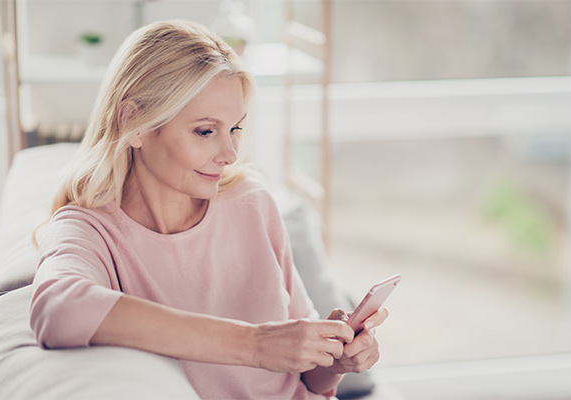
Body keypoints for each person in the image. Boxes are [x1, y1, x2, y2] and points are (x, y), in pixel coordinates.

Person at [30, 19, 388, 399]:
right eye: (205, 131)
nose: (230, 154)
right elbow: (59, 311)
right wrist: (254, 345)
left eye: (234, 129)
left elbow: (308, 379)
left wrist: (334, 359)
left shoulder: (252, 203)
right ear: (133, 122)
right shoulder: (87, 230)